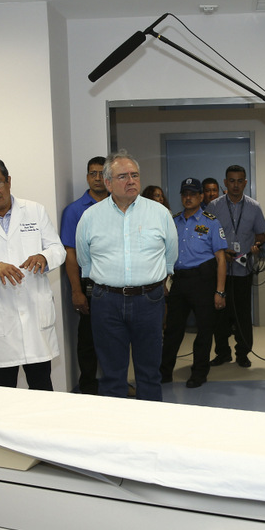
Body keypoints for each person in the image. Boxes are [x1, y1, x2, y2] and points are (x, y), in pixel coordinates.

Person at [0, 158, 66, 390]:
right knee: (3, 391)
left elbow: (57, 249)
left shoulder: (34, 210)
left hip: (35, 315)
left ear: (8, 181)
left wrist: (44, 257)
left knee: (42, 388)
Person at [75, 151, 178, 401]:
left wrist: (158, 281)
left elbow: (170, 256)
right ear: (108, 183)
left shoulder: (160, 213)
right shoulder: (91, 217)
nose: (131, 181)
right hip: (106, 302)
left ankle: (149, 423)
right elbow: (84, 260)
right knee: (112, 375)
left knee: (149, 373)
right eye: (123, 176)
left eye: (135, 175)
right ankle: (117, 425)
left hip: (149, 300)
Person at [160, 178, 229, 388]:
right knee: (173, 330)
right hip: (179, 281)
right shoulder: (173, 222)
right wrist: (164, 282)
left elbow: (221, 259)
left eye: (192, 194)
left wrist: (220, 291)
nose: (188, 197)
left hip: (203, 282)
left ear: (201, 197)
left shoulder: (211, 222)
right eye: (185, 194)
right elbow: (164, 255)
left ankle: (199, 373)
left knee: (204, 330)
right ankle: (164, 372)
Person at [208, 164, 265, 368]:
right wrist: (221, 252)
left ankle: (243, 353)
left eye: (239, 181)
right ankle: (222, 353)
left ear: (245, 182)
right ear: (225, 182)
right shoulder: (213, 207)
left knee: (242, 314)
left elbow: (261, 235)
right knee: (220, 315)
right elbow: (204, 236)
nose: (235, 185)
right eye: (231, 181)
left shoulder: (254, 207)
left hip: (243, 270)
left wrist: (257, 245)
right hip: (220, 272)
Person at [60, 156, 106, 394]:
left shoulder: (121, 206)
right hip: (89, 285)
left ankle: (116, 384)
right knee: (88, 340)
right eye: (93, 173)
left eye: (102, 173)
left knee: (117, 339)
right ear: (87, 177)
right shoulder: (74, 211)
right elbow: (70, 253)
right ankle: (88, 387)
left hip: (118, 285)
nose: (97, 178)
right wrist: (76, 291)